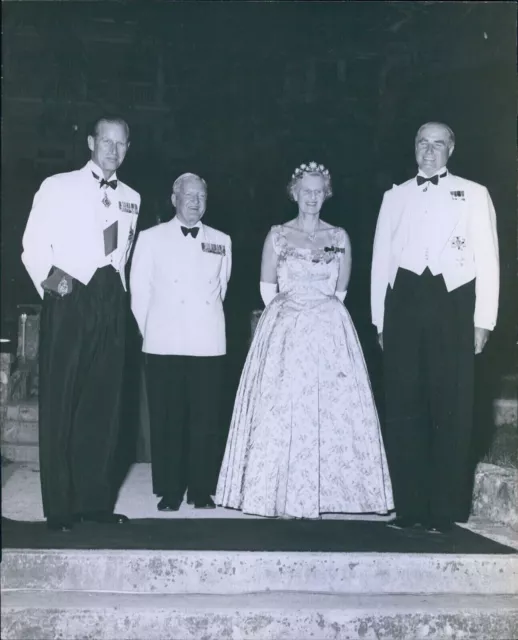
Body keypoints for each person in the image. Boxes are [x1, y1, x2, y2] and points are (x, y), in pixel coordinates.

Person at [216, 162, 394, 519]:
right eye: (305, 191)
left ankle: (336, 493)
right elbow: (267, 290)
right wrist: (292, 319)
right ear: (294, 193)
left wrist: (318, 319)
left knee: (332, 407)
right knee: (282, 407)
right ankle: (274, 491)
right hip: (286, 329)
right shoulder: (277, 235)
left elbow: (341, 290)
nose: (311, 198)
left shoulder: (340, 237)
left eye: (318, 192)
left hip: (329, 331)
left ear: (326, 194)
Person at [371, 122, 500, 534]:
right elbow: (380, 260)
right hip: (404, 303)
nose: (429, 152)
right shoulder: (395, 196)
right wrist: (379, 319)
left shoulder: (475, 194)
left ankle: (444, 510)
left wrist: (484, 320)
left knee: (451, 406)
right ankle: (409, 507)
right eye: (423, 144)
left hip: (453, 302)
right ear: (414, 148)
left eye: (438, 145)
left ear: (451, 150)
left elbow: (489, 261)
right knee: (405, 406)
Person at [21, 116, 140, 531]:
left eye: (120, 143)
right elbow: (32, 247)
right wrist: (59, 287)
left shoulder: (132, 196)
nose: (113, 149)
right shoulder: (57, 185)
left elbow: (121, 254)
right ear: (90, 142)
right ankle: (61, 507)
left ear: (128, 147)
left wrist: (119, 298)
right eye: (105, 141)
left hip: (111, 300)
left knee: (103, 404)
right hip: (70, 297)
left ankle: (95, 501)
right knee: (62, 402)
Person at [130, 173, 232, 511]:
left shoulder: (222, 240)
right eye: (188, 195)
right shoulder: (150, 238)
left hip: (207, 341)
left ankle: (201, 489)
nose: (195, 201)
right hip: (163, 341)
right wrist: (154, 331)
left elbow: (222, 288)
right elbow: (139, 293)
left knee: (206, 418)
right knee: (167, 418)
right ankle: (170, 489)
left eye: (201, 196)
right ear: (174, 199)